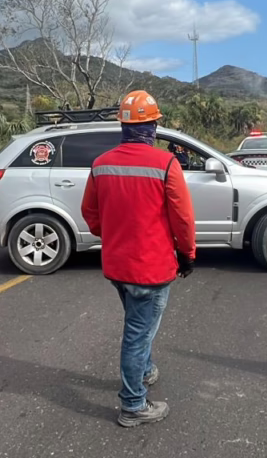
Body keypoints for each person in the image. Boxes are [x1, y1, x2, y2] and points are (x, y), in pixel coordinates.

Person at [81, 89, 197, 428]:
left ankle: (145, 371)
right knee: (137, 333)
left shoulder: (101, 164)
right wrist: (187, 255)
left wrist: (115, 237)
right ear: (154, 127)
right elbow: (183, 219)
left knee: (137, 323)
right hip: (152, 268)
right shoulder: (166, 163)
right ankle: (133, 405)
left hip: (117, 265)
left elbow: (90, 213)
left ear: (123, 126)